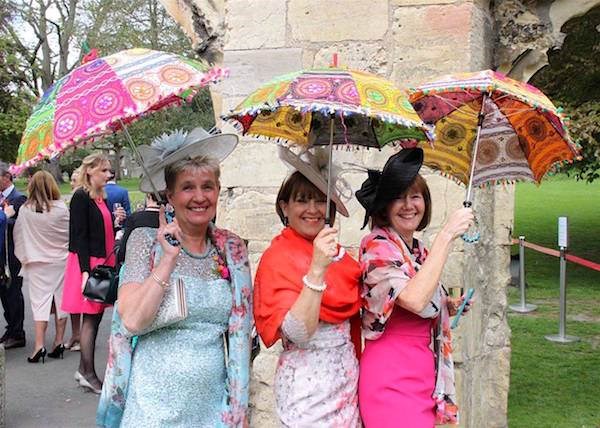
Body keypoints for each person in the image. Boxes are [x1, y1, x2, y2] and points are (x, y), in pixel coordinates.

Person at [97, 128, 252, 427]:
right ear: (170, 195)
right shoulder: (145, 241)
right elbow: (131, 321)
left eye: (208, 186)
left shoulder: (232, 249)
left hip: (213, 407)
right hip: (153, 406)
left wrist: (238, 408)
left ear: (218, 190)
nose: (199, 197)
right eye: (187, 187)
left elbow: (241, 333)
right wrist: (167, 261)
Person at [355, 148, 475, 427]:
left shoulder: (418, 252)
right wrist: (447, 235)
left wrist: (448, 305)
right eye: (398, 197)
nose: (408, 205)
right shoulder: (376, 246)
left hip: (422, 375)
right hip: (390, 378)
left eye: (415, 196)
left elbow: (423, 301)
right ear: (385, 206)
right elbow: (412, 299)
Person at [253, 146, 362, 426]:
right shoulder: (278, 258)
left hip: (347, 383)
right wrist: (316, 270)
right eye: (302, 200)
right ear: (284, 207)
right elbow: (298, 332)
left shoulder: (341, 257)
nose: (313, 209)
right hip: (306, 388)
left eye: (320, 200)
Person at [61, 153, 125, 393]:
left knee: (95, 319)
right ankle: (87, 372)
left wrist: (116, 221)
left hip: (100, 262)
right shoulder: (81, 197)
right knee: (90, 319)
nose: (108, 175)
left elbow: (101, 230)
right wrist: (86, 271)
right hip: (88, 264)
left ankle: (83, 369)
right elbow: (80, 235)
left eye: (109, 171)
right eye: (104, 171)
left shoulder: (100, 198)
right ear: (89, 171)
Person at [14, 171, 70, 363]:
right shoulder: (62, 209)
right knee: (61, 302)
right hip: (60, 261)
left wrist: (24, 257)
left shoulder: (25, 210)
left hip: (37, 263)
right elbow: (69, 234)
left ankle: (39, 346)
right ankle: (59, 341)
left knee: (40, 303)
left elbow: (18, 235)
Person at [0, 162, 28, 349]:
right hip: (1, 255)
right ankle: (10, 328)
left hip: (13, 254)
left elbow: (21, 224)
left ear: (6, 178)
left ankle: (18, 332)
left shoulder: (19, 198)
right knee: (4, 293)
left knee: (13, 293)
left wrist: (5, 218)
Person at [115, 191, 163, 266]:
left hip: (139, 267)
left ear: (149, 195)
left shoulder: (134, 219)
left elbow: (123, 252)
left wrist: (117, 240)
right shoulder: (170, 219)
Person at [65, 166, 83, 351]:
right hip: (72, 250)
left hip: (78, 251)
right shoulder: (73, 198)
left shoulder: (80, 197)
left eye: (74, 179)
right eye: (71, 179)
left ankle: (78, 336)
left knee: (79, 297)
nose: (71, 183)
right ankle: (75, 334)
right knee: (73, 297)